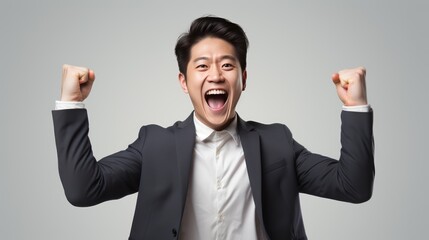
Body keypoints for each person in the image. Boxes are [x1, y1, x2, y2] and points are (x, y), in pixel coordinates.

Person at [52, 16, 374, 240]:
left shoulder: (277, 142)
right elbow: (84, 189)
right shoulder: (155, 145)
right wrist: (71, 103)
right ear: (184, 81)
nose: (216, 75)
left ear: (243, 79)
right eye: (202, 65)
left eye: (228, 64)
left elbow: (353, 187)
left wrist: (355, 106)